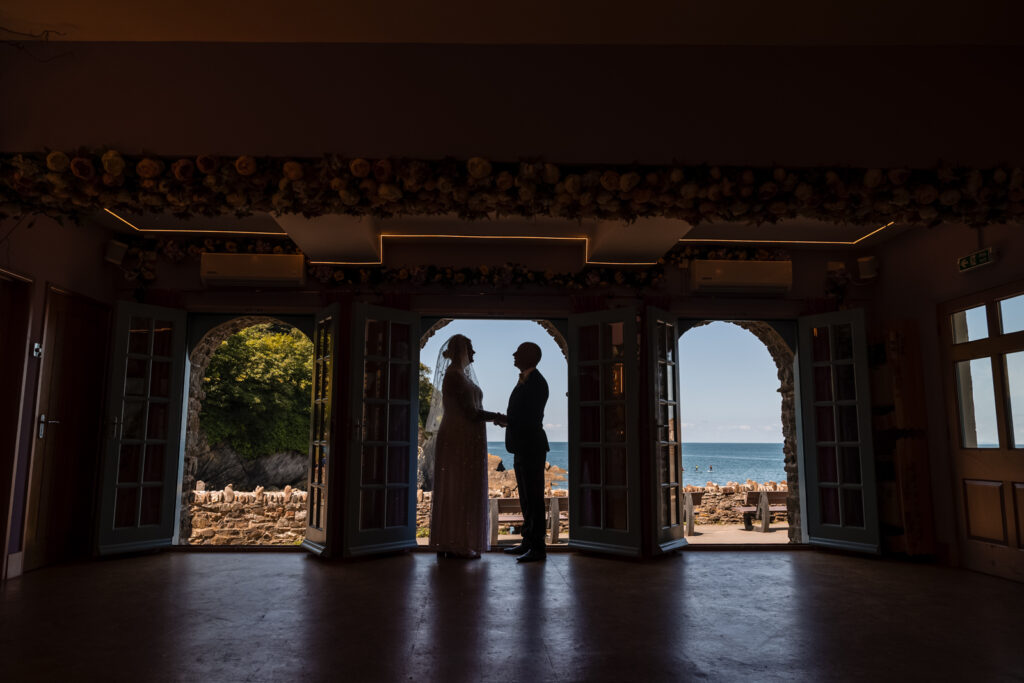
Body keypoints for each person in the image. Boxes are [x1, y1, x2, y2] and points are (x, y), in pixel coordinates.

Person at [427, 334, 498, 558]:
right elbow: (470, 412)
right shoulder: (454, 376)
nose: (474, 353)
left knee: (464, 486)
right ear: (461, 351)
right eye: (471, 348)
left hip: (467, 436)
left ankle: (460, 540)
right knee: (457, 486)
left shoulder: (461, 376)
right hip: (458, 436)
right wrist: (501, 417)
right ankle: (454, 542)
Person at [493, 342, 549, 563]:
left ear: (529, 356)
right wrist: (508, 421)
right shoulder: (528, 379)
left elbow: (530, 418)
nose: (514, 354)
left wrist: (506, 420)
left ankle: (538, 547)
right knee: (526, 498)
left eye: (518, 352)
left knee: (534, 498)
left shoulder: (536, 382)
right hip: (523, 446)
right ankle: (528, 542)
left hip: (531, 446)